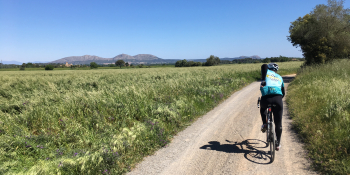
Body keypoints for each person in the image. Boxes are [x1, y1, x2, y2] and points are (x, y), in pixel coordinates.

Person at [260, 63, 285, 151]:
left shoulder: (265, 75)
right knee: (278, 123)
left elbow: (263, 66)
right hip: (278, 99)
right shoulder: (279, 77)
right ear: (276, 71)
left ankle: (265, 124)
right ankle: (277, 143)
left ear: (268, 69)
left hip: (266, 99)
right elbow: (283, 92)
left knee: (263, 108)